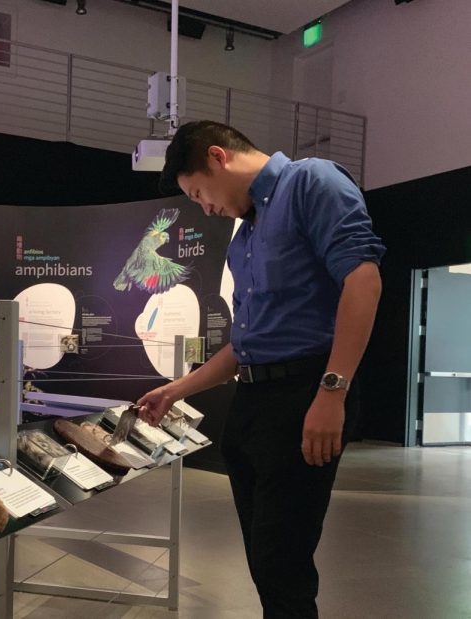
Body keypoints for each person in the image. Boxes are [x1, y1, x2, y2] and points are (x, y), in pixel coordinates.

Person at [137, 121, 385, 618]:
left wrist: (332, 391)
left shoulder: (312, 181)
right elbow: (248, 343)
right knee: (265, 562)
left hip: (305, 394)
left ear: (217, 157)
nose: (205, 207)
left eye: (199, 192)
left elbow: (363, 278)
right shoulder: (244, 235)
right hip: (252, 405)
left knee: (283, 563)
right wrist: (177, 390)